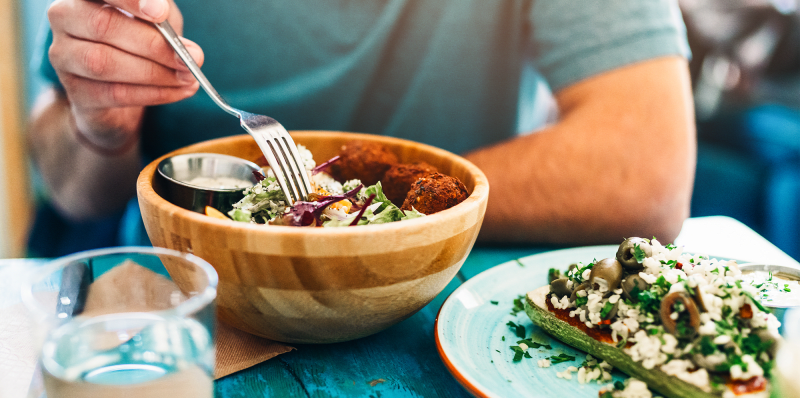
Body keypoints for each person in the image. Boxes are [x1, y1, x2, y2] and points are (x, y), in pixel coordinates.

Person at [28, 0, 697, 249]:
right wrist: (102, 129)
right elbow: (71, 184)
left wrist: (370, 216)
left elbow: (646, 169)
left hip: (445, 298)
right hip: (179, 304)